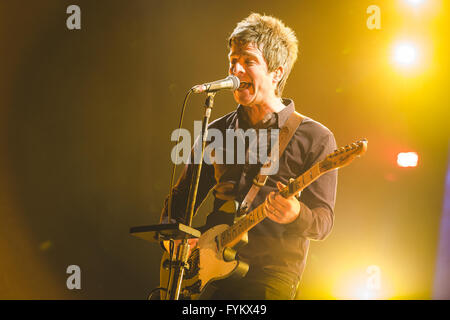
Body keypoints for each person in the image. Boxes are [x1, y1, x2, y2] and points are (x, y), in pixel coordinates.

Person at [160, 13, 337, 300]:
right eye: (233, 60)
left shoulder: (315, 137)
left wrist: (295, 214)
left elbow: (323, 221)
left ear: (276, 73)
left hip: (271, 274)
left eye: (248, 61)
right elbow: (181, 200)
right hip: (209, 273)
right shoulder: (214, 131)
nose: (236, 70)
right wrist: (175, 240)